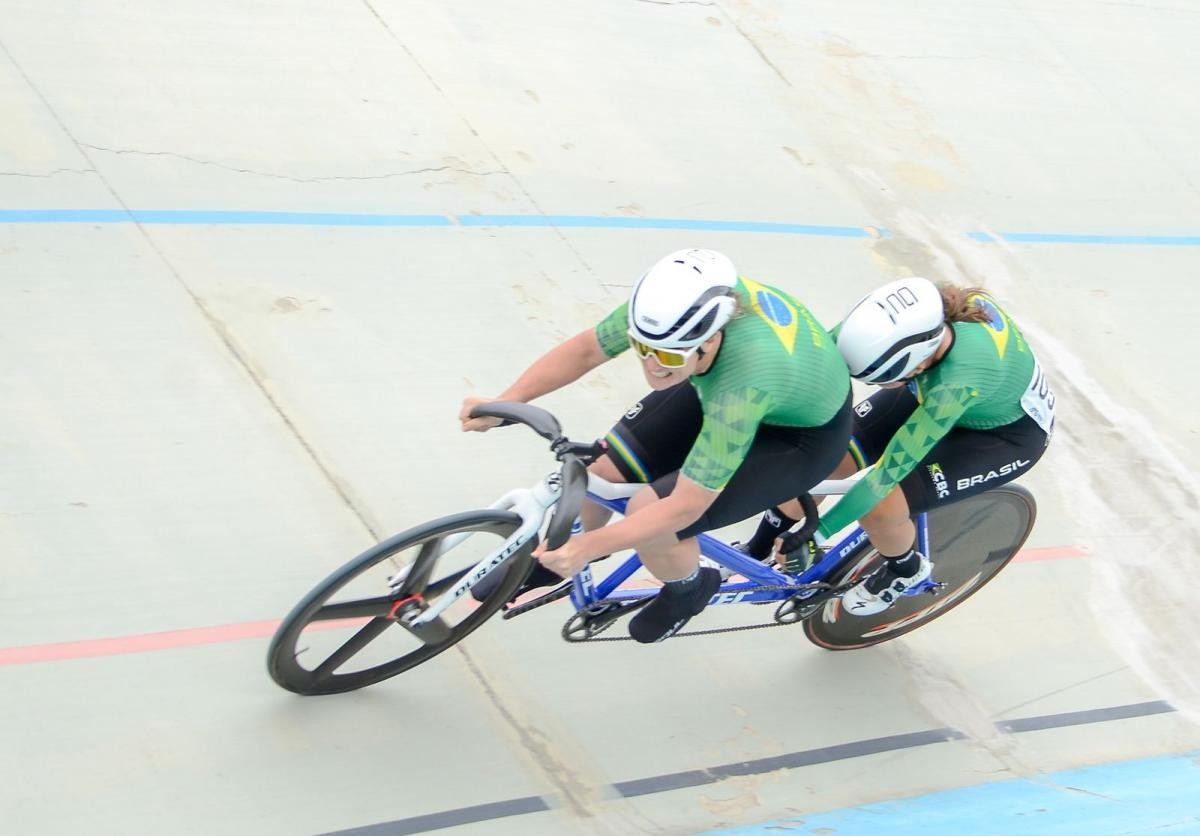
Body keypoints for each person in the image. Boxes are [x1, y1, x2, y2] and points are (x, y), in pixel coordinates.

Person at [459, 248, 853, 643]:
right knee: (602, 472)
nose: (651, 366)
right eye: (641, 347)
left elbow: (684, 507)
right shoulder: (669, 306)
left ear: (710, 339)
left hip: (799, 437)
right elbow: (587, 349)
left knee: (650, 513)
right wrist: (505, 404)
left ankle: (689, 587)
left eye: (665, 355)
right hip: (736, 382)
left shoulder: (740, 386)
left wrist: (588, 546)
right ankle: (553, 561)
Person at [738, 276, 1056, 615]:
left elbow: (881, 481)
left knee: (882, 508)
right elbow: (818, 362)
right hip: (948, 389)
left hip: (1004, 436)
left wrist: (816, 535)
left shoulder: (956, 383)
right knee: (826, 458)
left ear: (917, 365)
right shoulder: (905, 321)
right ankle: (755, 550)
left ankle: (905, 569)